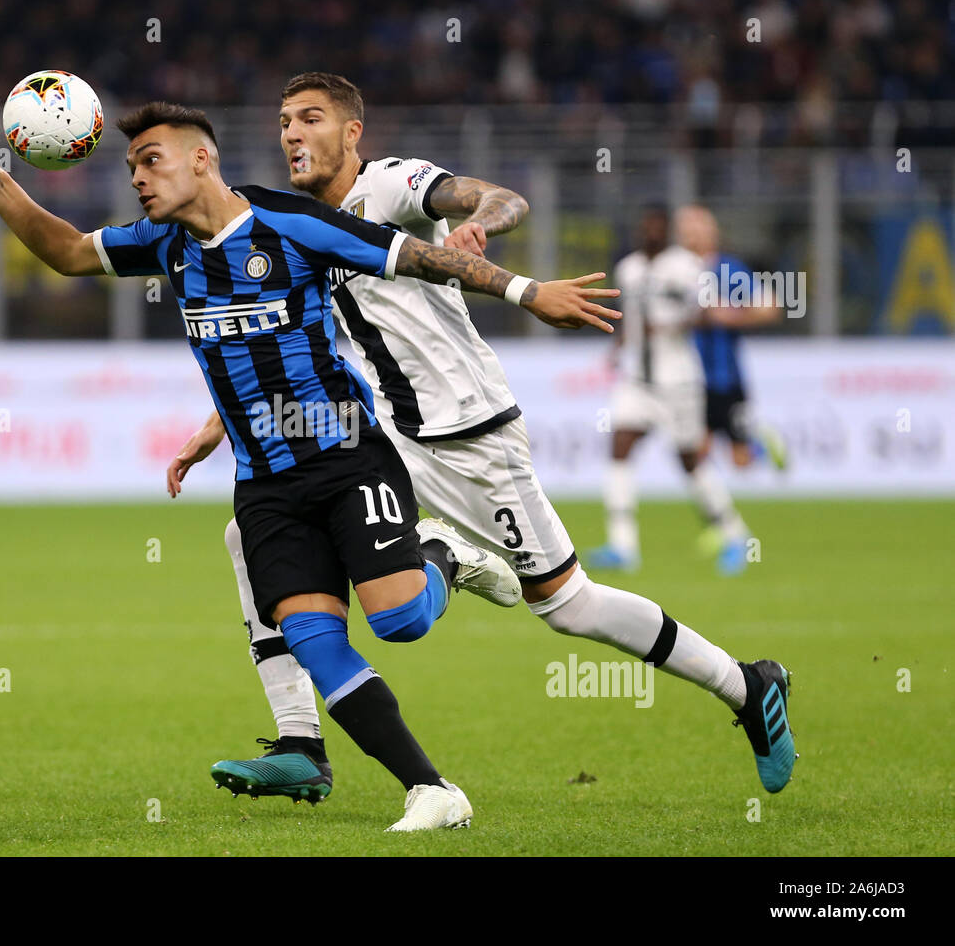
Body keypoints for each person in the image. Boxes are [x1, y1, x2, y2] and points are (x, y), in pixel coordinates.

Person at [0, 100, 620, 831]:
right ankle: (431, 790)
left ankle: (443, 555)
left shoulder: (290, 225)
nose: (137, 177)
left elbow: (414, 256)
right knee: (315, 640)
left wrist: (527, 291)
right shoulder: (164, 244)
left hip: (349, 457)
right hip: (265, 482)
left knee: (400, 623)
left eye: (151, 159)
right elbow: (68, 251)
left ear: (202, 160)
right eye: (131, 165)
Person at [168, 74, 796, 814]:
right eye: (282, 122)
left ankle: (745, 683)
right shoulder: (295, 222)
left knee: (567, 605)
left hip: (469, 435)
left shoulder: (395, 185)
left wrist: (484, 226)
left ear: (352, 132)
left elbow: (500, 195)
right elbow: (297, 338)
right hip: (382, 436)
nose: (292, 134)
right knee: (251, 533)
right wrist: (218, 425)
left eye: (311, 119)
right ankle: (301, 743)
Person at [586, 204, 754, 577]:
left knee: (690, 459)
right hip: (637, 380)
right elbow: (630, 318)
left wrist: (670, 324)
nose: (651, 233)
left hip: (678, 381)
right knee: (620, 445)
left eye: (658, 227)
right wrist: (617, 347)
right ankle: (622, 545)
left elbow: (704, 313)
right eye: (646, 227)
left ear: (667, 232)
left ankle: (735, 534)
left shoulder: (687, 267)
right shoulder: (628, 268)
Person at [676, 205, 789, 488]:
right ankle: (720, 524)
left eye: (697, 229)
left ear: (712, 233)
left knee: (740, 461)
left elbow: (770, 308)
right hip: (687, 378)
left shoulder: (728, 270)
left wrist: (726, 315)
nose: (691, 235)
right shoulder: (675, 270)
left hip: (725, 377)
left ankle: (761, 442)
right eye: (686, 230)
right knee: (694, 453)